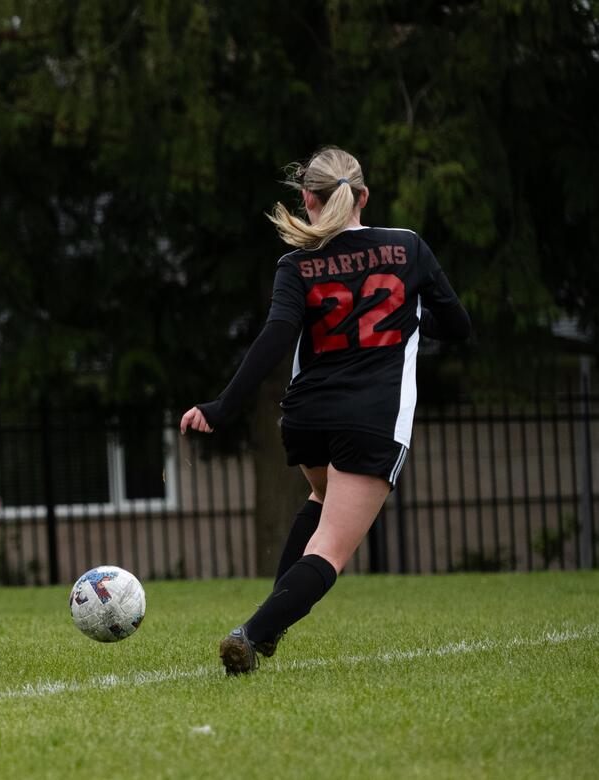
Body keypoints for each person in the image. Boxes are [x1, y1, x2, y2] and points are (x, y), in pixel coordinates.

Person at [180, 147, 471, 676]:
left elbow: (275, 338)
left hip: (305, 418)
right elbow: (459, 327)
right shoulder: (408, 247)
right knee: (331, 552)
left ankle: (270, 622)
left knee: (320, 496)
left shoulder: (296, 263)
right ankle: (254, 633)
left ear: (309, 200)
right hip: (371, 420)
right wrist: (409, 312)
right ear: (362, 196)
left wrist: (220, 407)